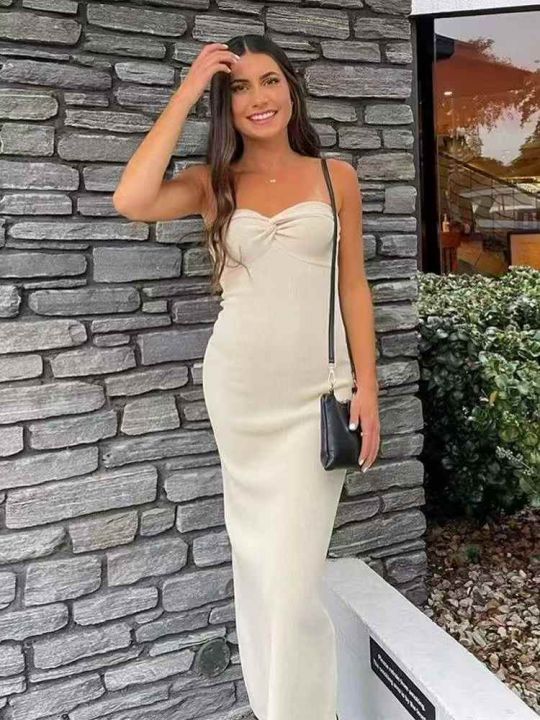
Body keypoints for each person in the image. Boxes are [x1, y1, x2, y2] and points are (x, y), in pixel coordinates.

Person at [113, 33, 380, 720]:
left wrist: (369, 390)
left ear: (291, 89)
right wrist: (187, 89)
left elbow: (353, 288)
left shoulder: (336, 177)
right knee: (260, 571)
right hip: (240, 393)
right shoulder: (212, 183)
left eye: (269, 81)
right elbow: (132, 199)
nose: (258, 98)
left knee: (292, 586)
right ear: (224, 107)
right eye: (238, 89)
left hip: (317, 395)